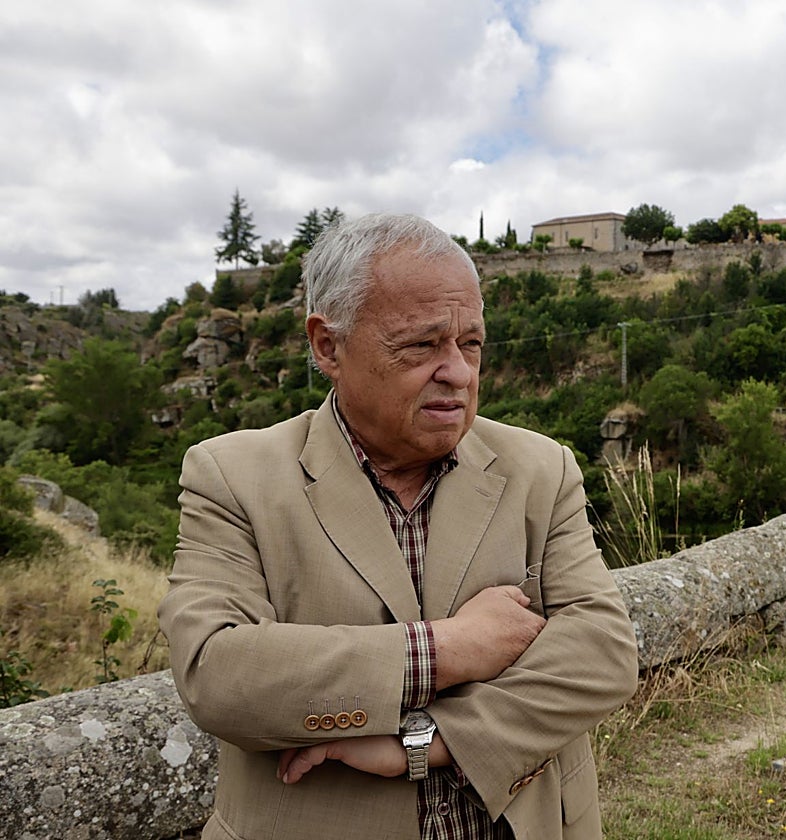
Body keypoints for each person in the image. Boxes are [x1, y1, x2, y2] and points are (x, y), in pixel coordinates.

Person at [158, 212, 640, 840]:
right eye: (421, 344)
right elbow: (216, 673)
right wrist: (442, 650)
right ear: (327, 346)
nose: (460, 372)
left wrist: (430, 741)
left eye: (471, 343)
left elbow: (603, 651)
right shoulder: (233, 476)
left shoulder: (539, 469)